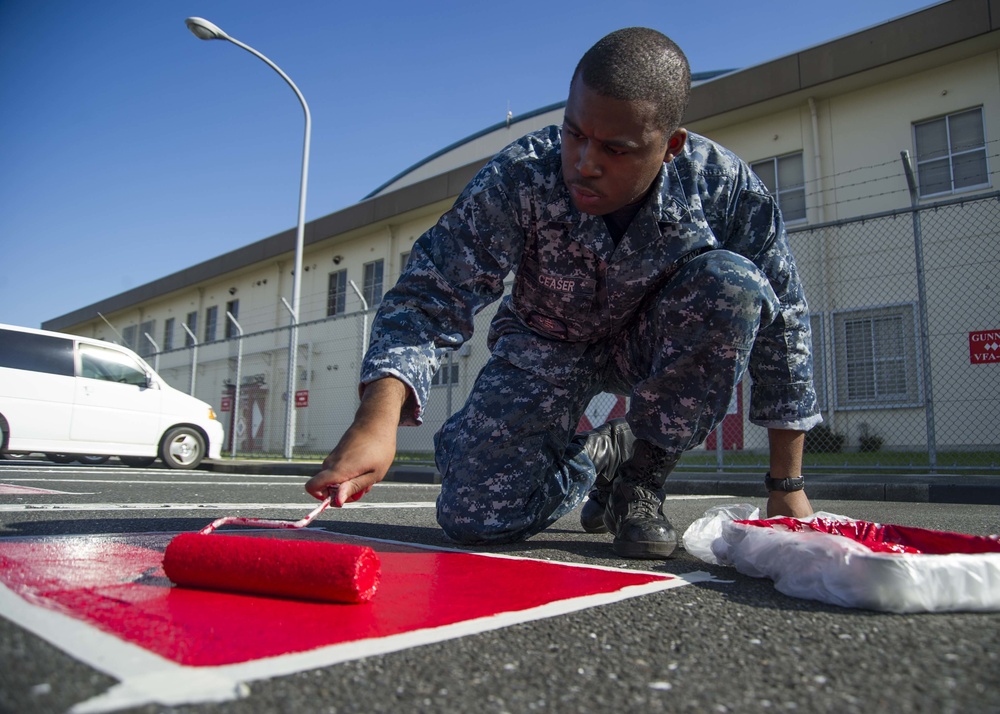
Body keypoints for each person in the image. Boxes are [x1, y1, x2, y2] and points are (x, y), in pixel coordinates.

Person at [306, 27, 822, 559]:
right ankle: (603, 454)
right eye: (574, 134)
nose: (584, 163)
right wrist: (376, 421)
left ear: (670, 147)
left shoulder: (722, 187)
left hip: (651, 344)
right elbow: (431, 293)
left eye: (615, 149)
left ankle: (640, 478)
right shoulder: (524, 176)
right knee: (475, 517)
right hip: (545, 342)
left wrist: (786, 487)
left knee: (733, 284)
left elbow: (785, 327)